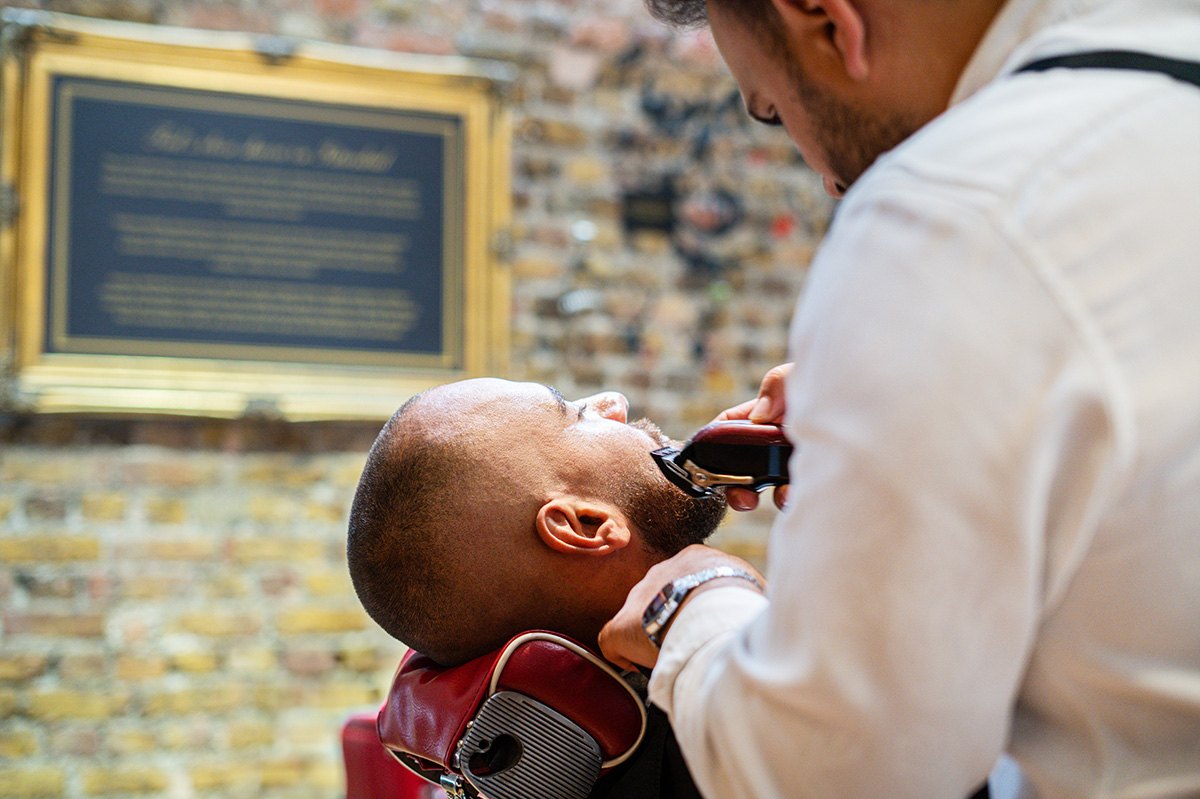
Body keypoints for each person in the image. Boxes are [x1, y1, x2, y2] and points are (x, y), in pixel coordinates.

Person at [598, 0, 1200, 798]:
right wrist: (914, 441)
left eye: (775, 111)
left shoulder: (953, 209)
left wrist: (694, 599)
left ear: (825, 20)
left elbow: (830, 774)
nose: (825, 178)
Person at [346, 377, 734, 798]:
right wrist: (718, 596)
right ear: (585, 525)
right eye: (576, 414)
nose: (614, 402)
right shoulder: (751, 745)